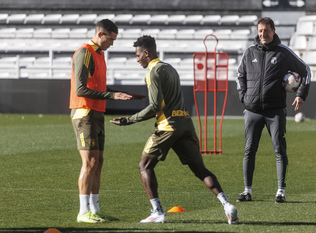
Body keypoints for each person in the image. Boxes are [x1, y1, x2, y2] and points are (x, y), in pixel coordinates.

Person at [110, 35, 239, 224]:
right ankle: (227, 206)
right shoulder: (170, 68)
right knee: (200, 169)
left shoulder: (153, 72)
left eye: (138, 55)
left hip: (167, 126)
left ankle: (158, 212)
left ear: (146, 53)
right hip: (185, 124)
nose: (137, 59)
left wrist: (128, 120)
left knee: (145, 166)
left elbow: (154, 106)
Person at [70, 19, 142, 223]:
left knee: (98, 162)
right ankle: (83, 212)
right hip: (84, 113)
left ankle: (95, 209)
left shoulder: (99, 54)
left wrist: (120, 93)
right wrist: (112, 96)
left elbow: (98, 86)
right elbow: (81, 90)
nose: (112, 43)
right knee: (89, 162)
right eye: (111, 39)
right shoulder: (85, 52)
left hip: (97, 112)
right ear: (101, 34)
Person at [235, 17, 311, 203]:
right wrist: (243, 97)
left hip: (275, 111)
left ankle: (280, 191)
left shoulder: (283, 53)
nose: (263, 34)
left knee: (279, 150)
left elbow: (306, 71)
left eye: (266, 30)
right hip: (252, 110)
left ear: (273, 31)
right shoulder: (249, 52)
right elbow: (239, 75)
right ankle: (247, 191)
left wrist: (301, 95)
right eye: (260, 31)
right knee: (249, 150)